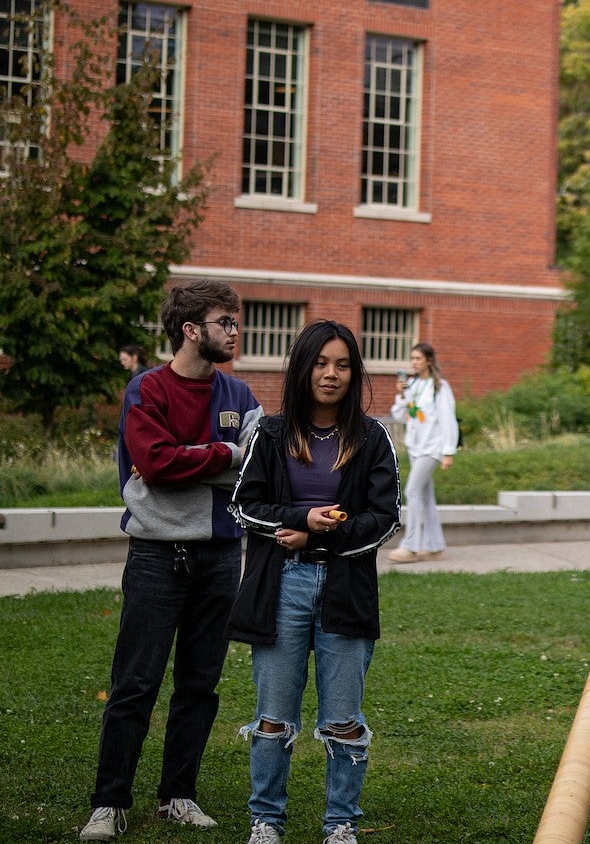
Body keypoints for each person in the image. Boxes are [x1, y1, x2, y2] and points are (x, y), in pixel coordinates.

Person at [81, 280, 263, 841]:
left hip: (219, 554)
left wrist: (202, 459)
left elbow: (258, 462)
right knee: (135, 682)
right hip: (157, 556)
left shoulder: (239, 395)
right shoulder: (147, 389)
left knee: (200, 683)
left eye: (235, 322)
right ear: (190, 330)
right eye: (223, 322)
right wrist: (224, 457)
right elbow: (154, 462)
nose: (235, 331)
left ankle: (177, 795)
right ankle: (109, 802)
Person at [226, 320, 401, 844]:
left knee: (344, 715)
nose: (332, 374)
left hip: (346, 588)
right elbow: (243, 505)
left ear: (355, 372)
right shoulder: (271, 433)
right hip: (281, 587)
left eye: (343, 365)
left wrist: (319, 538)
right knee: (274, 715)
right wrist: (303, 520)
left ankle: (341, 823)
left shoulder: (371, 437)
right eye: (322, 363)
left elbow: (386, 517)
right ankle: (266, 820)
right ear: (303, 368)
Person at [387, 342, 458, 563]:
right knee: (426, 498)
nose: (414, 363)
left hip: (433, 448)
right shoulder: (413, 385)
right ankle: (435, 546)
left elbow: (448, 419)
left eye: (418, 358)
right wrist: (400, 396)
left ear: (428, 360)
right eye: (412, 359)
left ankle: (411, 546)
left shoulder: (440, 387)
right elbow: (400, 416)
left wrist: (448, 451)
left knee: (412, 491)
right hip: (417, 448)